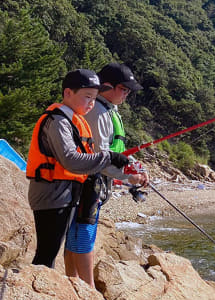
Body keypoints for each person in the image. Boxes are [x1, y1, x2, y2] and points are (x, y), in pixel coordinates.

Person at [26, 69, 130, 278]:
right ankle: (37, 293)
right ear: (68, 93)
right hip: (51, 195)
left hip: (65, 193)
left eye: (94, 98)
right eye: (87, 97)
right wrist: (109, 157)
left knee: (53, 249)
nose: (91, 103)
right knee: (47, 252)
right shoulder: (58, 121)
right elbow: (71, 160)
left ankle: (44, 289)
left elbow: (85, 157)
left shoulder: (74, 120)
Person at [67, 62, 148, 287]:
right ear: (107, 86)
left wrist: (135, 167)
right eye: (124, 89)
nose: (127, 94)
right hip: (87, 182)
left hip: (97, 181)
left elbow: (115, 152)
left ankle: (74, 282)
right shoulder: (99, 114)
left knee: (81, 231)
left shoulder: (109, 111)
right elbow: (99, 158)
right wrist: (129, 178)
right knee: (83, 232)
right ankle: (86, 287)